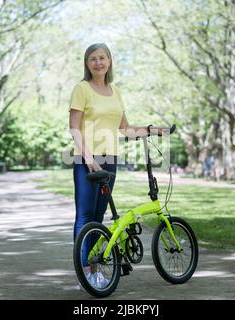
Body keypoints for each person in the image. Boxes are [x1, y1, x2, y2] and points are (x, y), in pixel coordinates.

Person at [69, 43, 169, 288]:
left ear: (109, 61)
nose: (98, 62)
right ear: (87, 63)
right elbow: (74, 128)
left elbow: (125, 128)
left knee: (99, 216)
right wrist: (89, 158)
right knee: (84, 217)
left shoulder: (116, 92)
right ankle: (85, 275)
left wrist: (151, 130)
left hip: (110, 159)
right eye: (93, 59)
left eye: (102, 58)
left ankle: (94, 268)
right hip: (87, 159)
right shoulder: (82, 89)